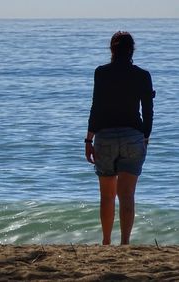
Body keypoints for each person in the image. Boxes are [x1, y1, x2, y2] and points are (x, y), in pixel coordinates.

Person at [85, 31, 155, 245]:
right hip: (133, 136)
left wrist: (89, 139)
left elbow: (96, 107)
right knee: (127, 195)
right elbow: (148, 109)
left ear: (112, 50)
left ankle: (106, 242)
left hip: (104, 137)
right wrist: (145, 136)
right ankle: (125, 243)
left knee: (107, 196)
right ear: (132, 50)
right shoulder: (143, 75)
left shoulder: (101, 73)